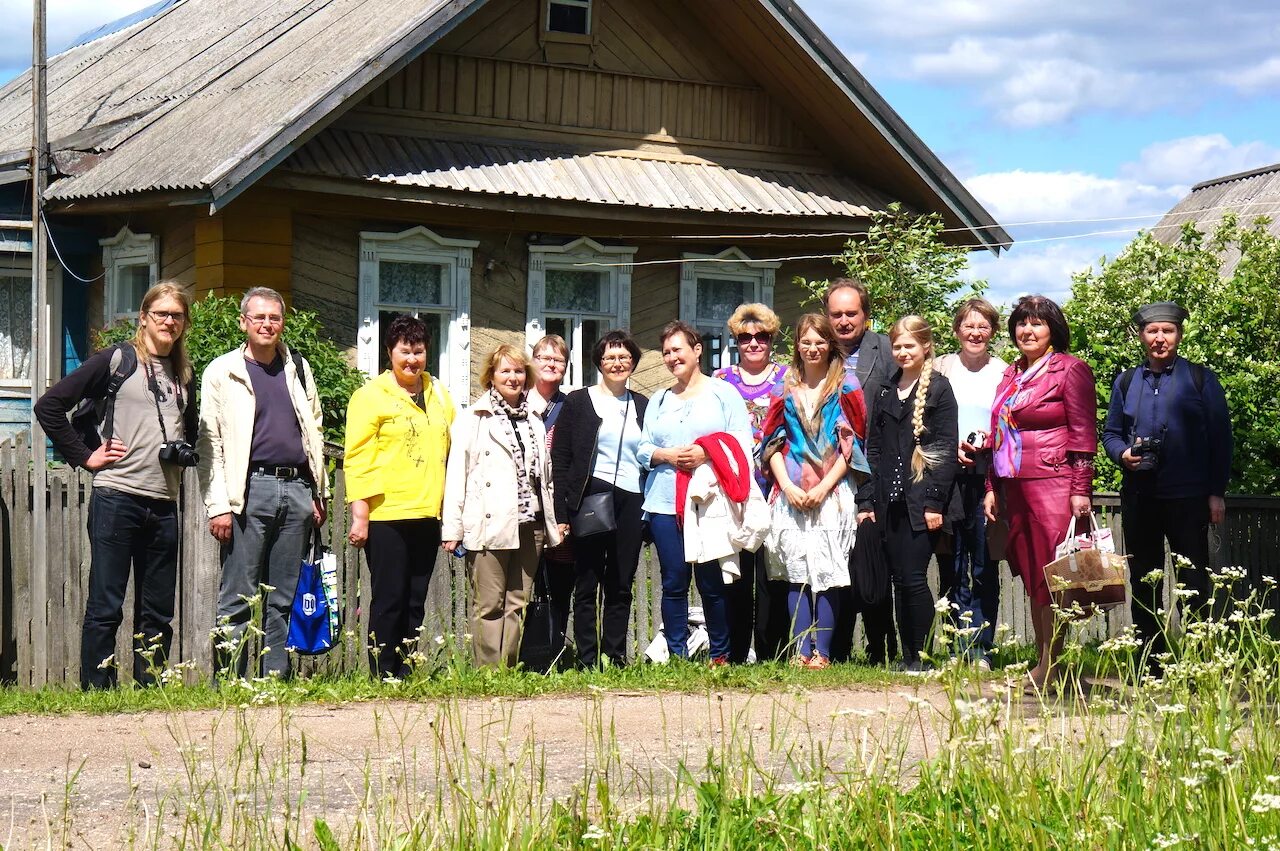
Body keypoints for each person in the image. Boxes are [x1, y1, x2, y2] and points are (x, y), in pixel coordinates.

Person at [35, 283, 197, 689]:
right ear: (143, 317)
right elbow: (49, 406)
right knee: (107, 604)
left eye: (176, 315)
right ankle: (98, 690)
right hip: (117, 495)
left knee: (158, 610)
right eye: (161, 313)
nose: (169, 322)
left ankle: (151, 688)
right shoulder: (117, 360)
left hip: (163, 502)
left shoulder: (183, 373)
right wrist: (85, 456)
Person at [198, 286, 328, 679]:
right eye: (259, 317)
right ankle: (229, 681)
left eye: (274, 317)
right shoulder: (222, 371)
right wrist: (218, 504)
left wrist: (317, 491)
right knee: (238, 595)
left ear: (282, 322)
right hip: (249, 490)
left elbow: (314, 430)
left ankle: (275, 679)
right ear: (244, 323)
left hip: (298, 490)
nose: (267, 324)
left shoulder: (298, 367)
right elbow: (210, 442)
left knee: (284, 597)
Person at [1102, 300, 1233, 674]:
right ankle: (1151, 666)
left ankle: (1194, 664)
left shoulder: (1200, 378)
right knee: (1144, 583)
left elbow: (1221, 440)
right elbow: (1110, 433)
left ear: (1178, 334)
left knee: (1193, 581)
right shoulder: (1126, 381)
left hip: (1188, 497)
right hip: (1140, 497)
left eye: (1168, 331)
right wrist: (1121, 454)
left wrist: (1216, 492)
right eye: (1152, 331)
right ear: (1141, 336)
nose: (1160, 338)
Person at [983, 295, 1096, 692]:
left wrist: (1080, 490)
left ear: (1053, 331)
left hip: (1055, 484)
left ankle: (1056, 663)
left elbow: (1083, 435)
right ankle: (1045, 660)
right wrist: (991, 487)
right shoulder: (1011, 374)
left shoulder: (1071, 370)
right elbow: (999, 434)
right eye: (1021, 324)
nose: (1027, 331)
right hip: (1014, 486)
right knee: (1033, 575)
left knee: (1057, 575)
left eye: (1037, 324)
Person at [344, 315, 455, 678]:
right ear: (389, 353)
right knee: (389, 597)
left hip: (428, 512)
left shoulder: (439, 394)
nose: (412, 360)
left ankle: (406, 670)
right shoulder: (369, 396)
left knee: (415, 598)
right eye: (405, 351)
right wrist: (360, 514)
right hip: (386, 513)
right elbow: (358, 457)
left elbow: (454, 446)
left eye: (419, 352)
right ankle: (382, 672)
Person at [637, 321, 752, 665]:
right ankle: (677, 656)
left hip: (708, 503)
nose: (672, 357)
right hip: (663, 500)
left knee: (712, 582)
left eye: (678, 350)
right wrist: (666, 455)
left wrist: (707, 452)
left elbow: (742, 442)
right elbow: (643, 448)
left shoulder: (723, 393)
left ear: (697, 350)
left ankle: (720, 655)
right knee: (673, 581)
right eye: (667, 352)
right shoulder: (659, 399)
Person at [441, 345, 562, 668]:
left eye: (519, 371)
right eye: (505, 371)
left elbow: (545, 478)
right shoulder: (473, 419)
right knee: (489, 603)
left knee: (517, 602)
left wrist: (552, 522)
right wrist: (452, 528)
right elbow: (457, 476)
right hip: (488, 522)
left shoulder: (535, 419)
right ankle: (487, 673)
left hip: (530, 524)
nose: (513, 377)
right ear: (491, 377)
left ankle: (508, 669)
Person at [761, 314, 870, 668]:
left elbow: (852, 444)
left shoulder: (847, 386)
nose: (813, 348)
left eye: (819, 341)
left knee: (826, 570)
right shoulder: (784, 387)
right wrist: (788, 486)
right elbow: (772, 442)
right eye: (806, 341)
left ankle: (822, 651)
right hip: (791, 490)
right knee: (796, 572)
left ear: (830, 344)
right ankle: (799, 650)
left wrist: (824, 486)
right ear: (797, 344)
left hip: (832, 490)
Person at [857, 316, 959, 673]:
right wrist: (867, 499)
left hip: (921, 501)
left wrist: (934, 502)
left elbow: (945, 451)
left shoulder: (939, 389)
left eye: (909, 346)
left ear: (926, 347)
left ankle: (923, 655)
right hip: (889, 501)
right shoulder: (887, 389)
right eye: (897, 346)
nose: (902, 352)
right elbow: (873, 448)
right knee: (899, 579)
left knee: (915, 577)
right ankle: (908, 656)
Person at [551, 331, 649, 668]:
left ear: (633, 362)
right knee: (587, 581)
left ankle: (615, 655)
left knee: (621, 582)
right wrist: (562, 511)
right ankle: (587, 658)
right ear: (599, 363)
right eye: (610, 357)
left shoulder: (643, 405)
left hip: (632, 499)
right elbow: (560, 458)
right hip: (591, 495)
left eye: (624, 357)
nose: (617, 363)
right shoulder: (578, 402)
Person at [824, 278, 896, 664]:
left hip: (875, 473)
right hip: (826, 474)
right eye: (836, 314)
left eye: (852, 313)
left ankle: (880, 647)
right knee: (836, 560)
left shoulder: (886, 349)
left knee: (872, 559)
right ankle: (836, 648)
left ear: (866, 315)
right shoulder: (817, 350)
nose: (844, 321)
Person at [714, 303, 790, 663]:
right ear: (736, 341)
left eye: (761, 336)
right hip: (735, 491)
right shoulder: (721, 379)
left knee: (773, 573)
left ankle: (772, 649)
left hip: (777, 487)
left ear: (771, 339)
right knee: (737, 574)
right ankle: (737, 649)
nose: (754, 343)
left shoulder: (789, 377)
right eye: (746, 337)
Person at [935, 298, 1007, 669]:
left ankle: (982, 646)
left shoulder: (1005, 372)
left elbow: (1012, 427)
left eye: (983, 326)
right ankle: (953, 644)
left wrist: (988, 442)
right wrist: (951, 450)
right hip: (947, 479)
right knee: (950, 562)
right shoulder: (940, 367)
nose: (975, 332)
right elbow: (926, 421)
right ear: (956, 330)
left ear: (993, 331)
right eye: (968, 325)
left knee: (983, 564)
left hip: (988, 480)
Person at [526, 334, 574, 665]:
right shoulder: (515, 403)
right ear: (532, 361)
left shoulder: (569, 409)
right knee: (519, 583)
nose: (550, 363)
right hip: (524, 508)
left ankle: (553, 652)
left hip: (558, 510)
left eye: (557, 359)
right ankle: (519, 654)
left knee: (559, 584)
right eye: (543, 357)